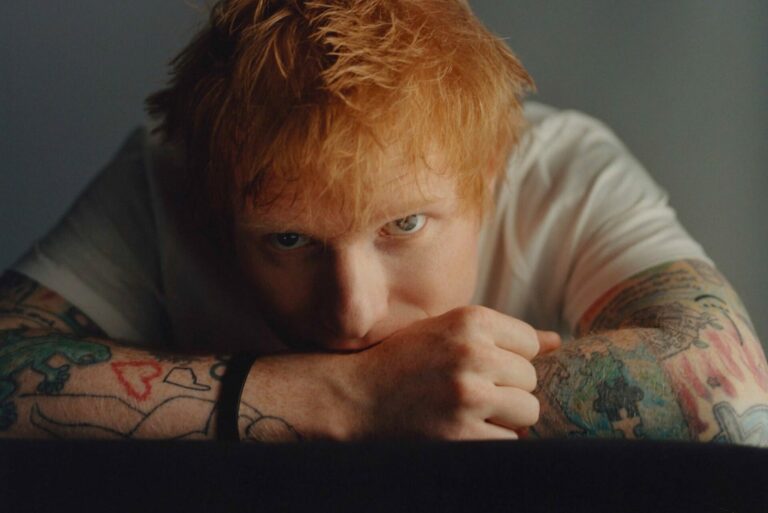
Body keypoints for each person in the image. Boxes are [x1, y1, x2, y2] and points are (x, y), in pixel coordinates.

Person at [1, 0, 766, 444]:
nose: (352, 310)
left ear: (492, 176)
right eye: (289, 239)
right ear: (215, 199)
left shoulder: (558, 166)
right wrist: (347, 397)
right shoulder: (166, 174)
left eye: (404, 224)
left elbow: (732, 388)